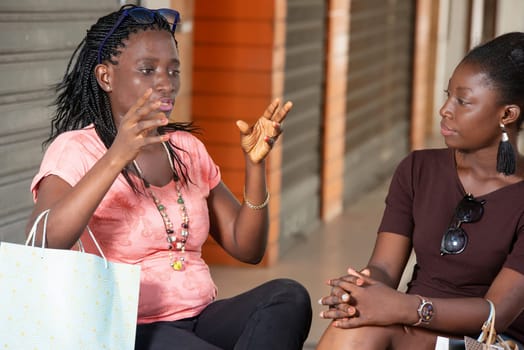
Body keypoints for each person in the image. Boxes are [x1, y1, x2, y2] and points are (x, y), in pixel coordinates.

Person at [26, 5, 312, 350]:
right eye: (148, 70)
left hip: (199, 317)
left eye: (173, 71)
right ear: (106, 77)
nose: (165, 83)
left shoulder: (186, 149)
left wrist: (255, 166)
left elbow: (247, 248)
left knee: (288, 297)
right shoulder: (75, 148)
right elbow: (42, 244)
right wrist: (116, 155)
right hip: (125, 327)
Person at [316, 32, 524, 349]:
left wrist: (404, 307)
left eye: (462, 101)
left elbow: (496, 313)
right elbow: (385, 267)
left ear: (507, 115)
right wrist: (360, 291)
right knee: (352, 327)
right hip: (414, 329)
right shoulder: (417, 169)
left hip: (489, 342)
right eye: (447, 95)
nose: (445, 110)